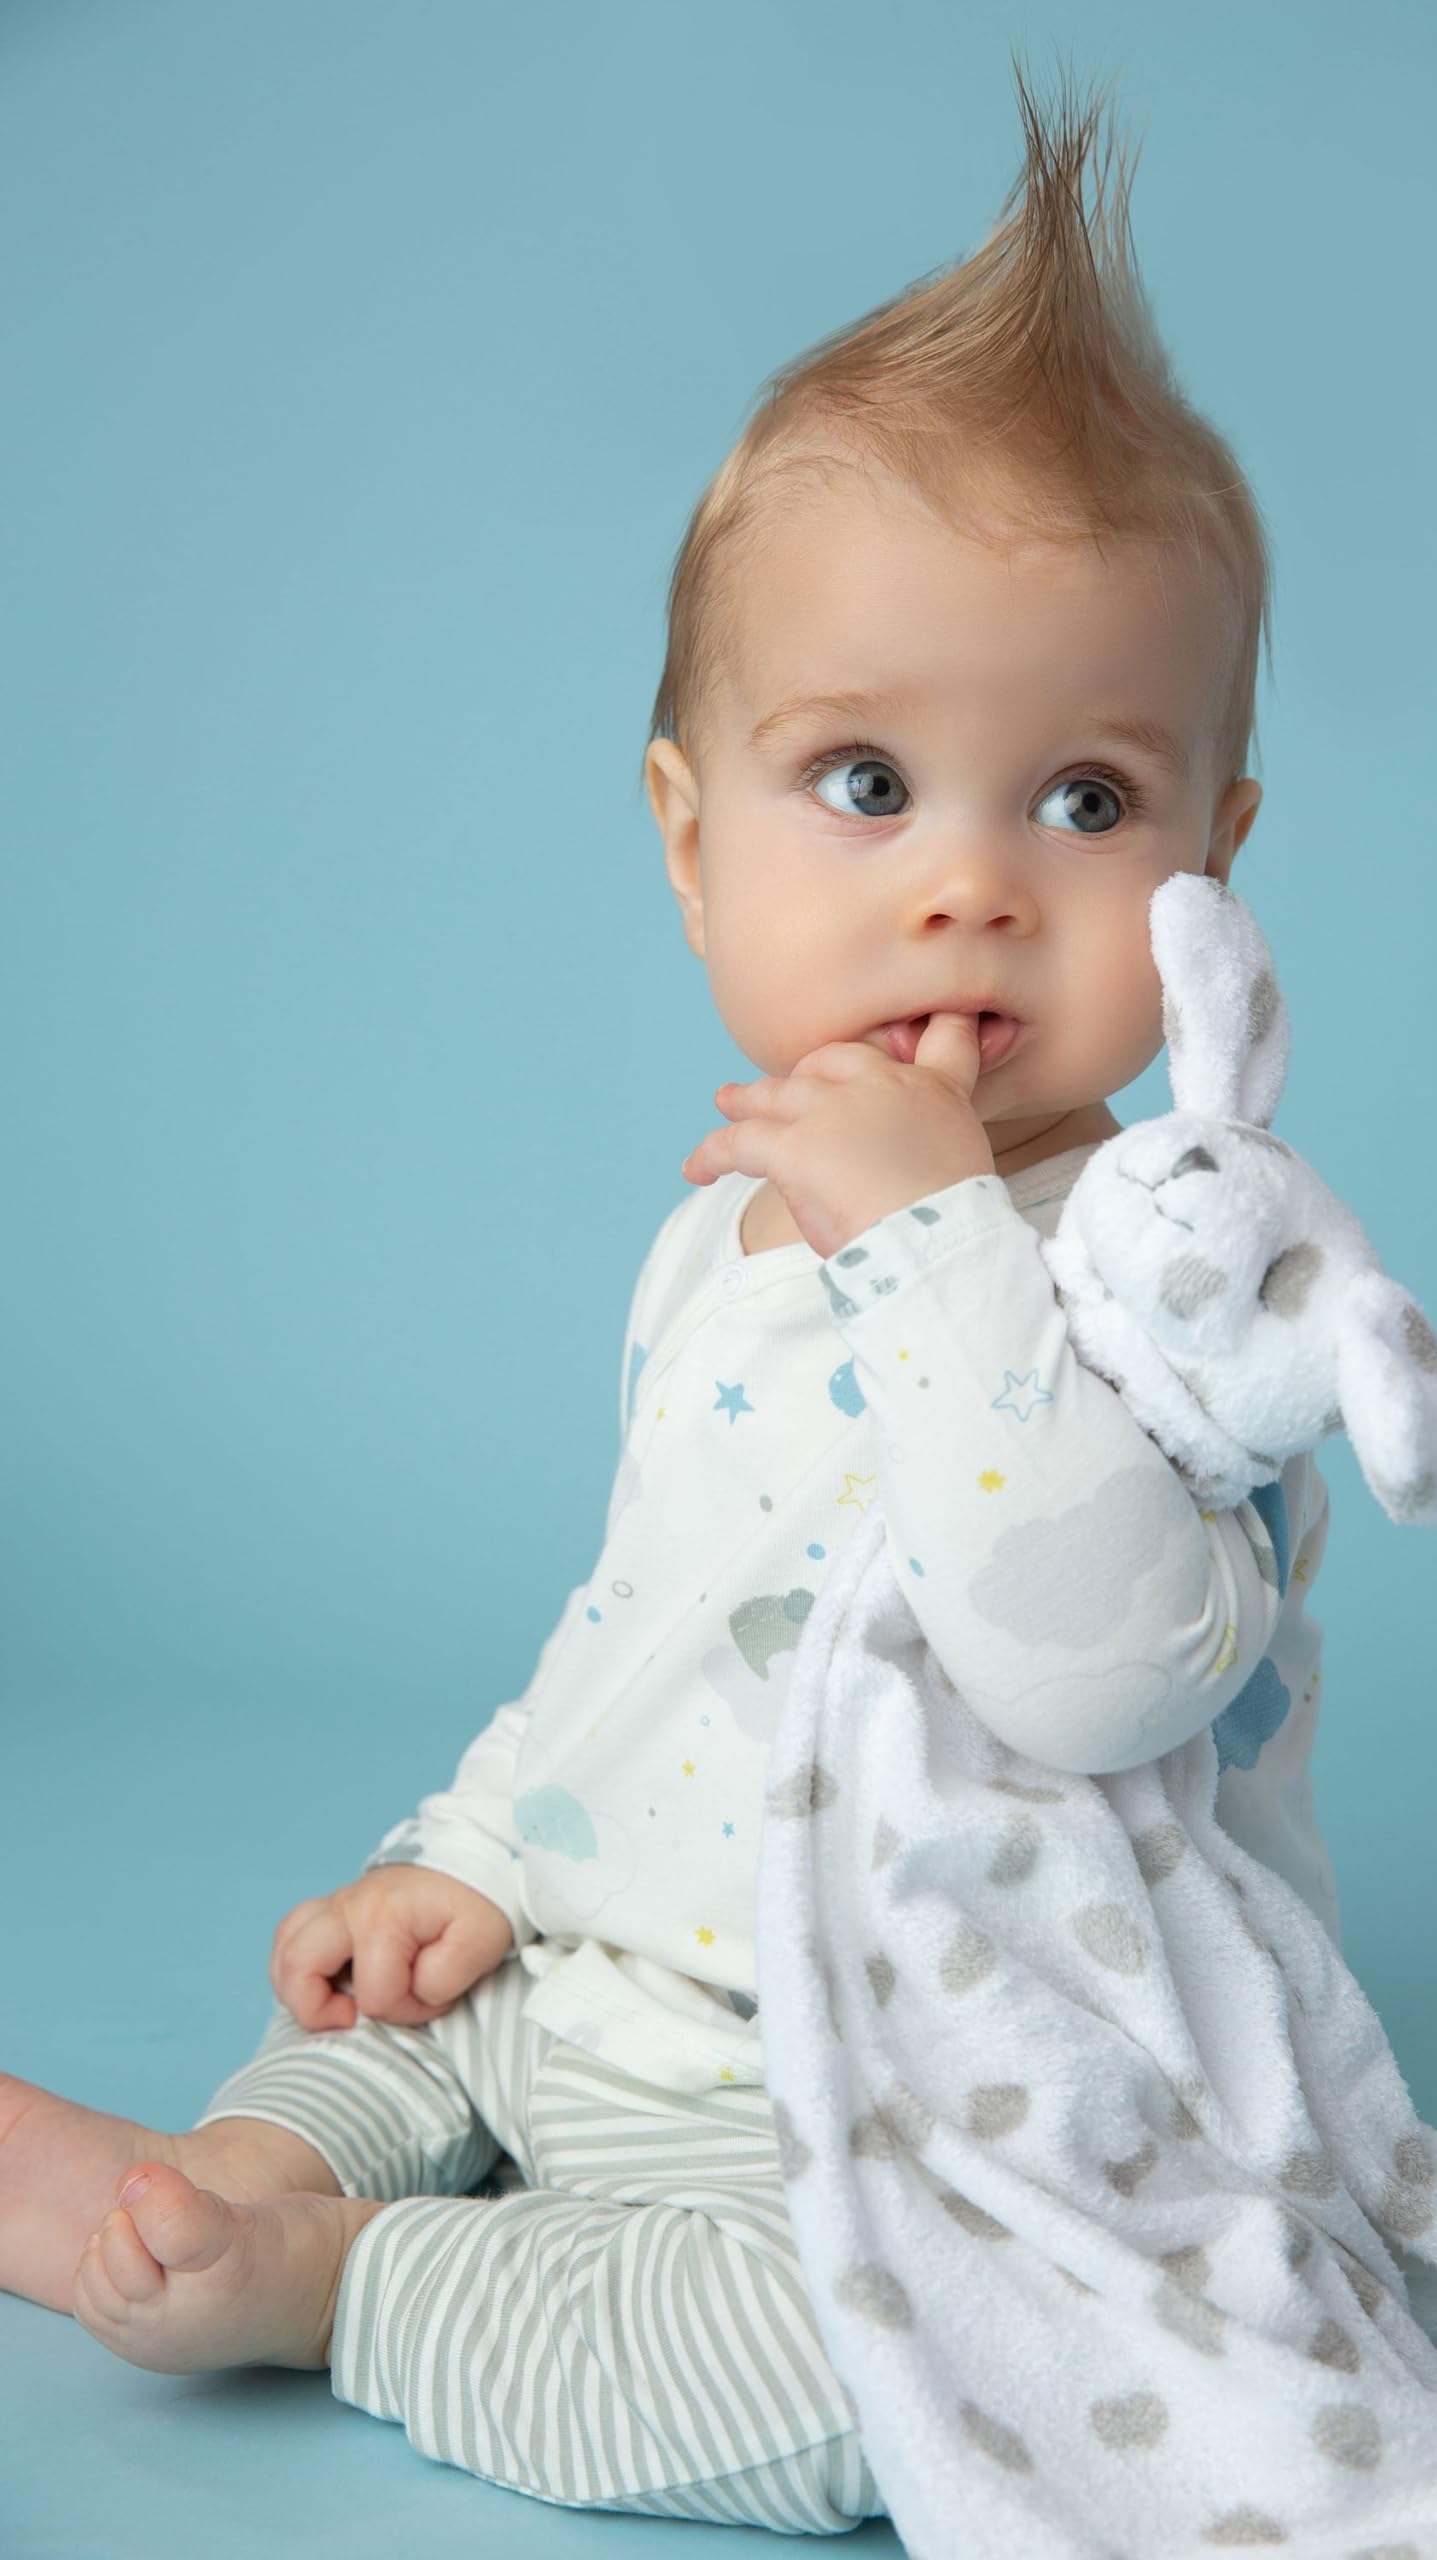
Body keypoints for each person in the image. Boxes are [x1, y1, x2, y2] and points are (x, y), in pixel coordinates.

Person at [0, 66, 1345, 2534]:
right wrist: (479, 1857)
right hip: (609, 1962)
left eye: (1081, 798)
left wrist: (947, 1236)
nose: (965, 886)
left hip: (892, 2094)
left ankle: (332, 2289)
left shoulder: (1193, 1277)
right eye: (862, 780)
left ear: (1210, 864)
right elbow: (651, 1616)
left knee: (865, 2393)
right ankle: (215, 2167)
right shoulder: (714, 1224)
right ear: (681, 829)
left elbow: (1111, 1658)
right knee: (412, 2019)